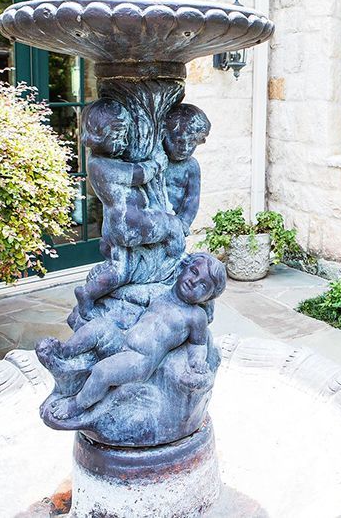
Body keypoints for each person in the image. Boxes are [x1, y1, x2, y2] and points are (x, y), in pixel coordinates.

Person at [47, 252, 227, 420]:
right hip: (123, 340)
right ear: (182, 268)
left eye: (203, 285)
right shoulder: (163, 292)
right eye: (193, 272)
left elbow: (198, 344)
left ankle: (77, 404)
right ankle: (66, 351)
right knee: (98, 325)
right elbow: (133, 298)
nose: (194, 281)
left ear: (208, 297)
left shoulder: (196, 316)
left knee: (102, 372)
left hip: (140, 360)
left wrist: (197, 360)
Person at [74, 98, 185, 317]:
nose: (124, 142)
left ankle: (88, 294)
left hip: (122, 222)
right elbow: (137, 175)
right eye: (117, 136)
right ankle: (174, 266)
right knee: (173, 226)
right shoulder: (99, 165)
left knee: (121, 270)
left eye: (125, 135)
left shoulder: (100, 158)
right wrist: (157, 163)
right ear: (97, 134)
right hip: (131, 220)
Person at [163, 103, 210, 232]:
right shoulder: (158, 160)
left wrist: (183, 223)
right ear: (164, 134)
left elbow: (192, 199)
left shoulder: (191, 166)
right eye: (179, 141)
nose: (185, 148)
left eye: (192, 142)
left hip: (177, 223)